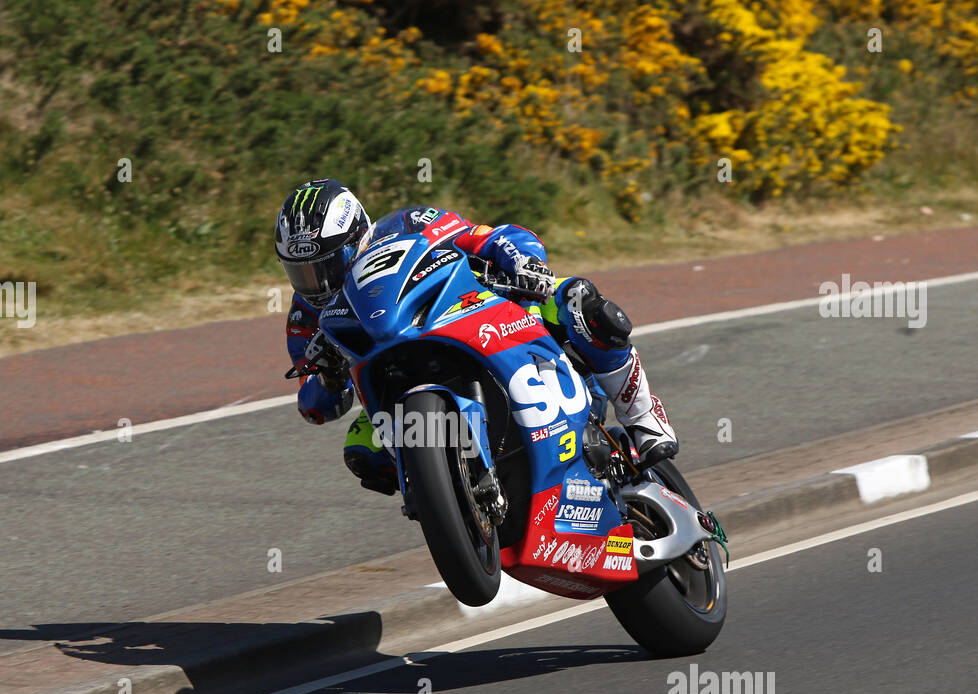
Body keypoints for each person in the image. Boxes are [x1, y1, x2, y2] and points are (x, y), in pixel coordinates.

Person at [275, 178, 677, 495]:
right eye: (302, 271)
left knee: (579, 302)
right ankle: (457, 498)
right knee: (363, 451)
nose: (317, 282)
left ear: (356, 238)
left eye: (326, 264)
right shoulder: (305, 313)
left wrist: (524, 263)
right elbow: (315, 406)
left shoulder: (409, 224)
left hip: (480, 320)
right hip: (395, 389)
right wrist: (327, 377)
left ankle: (643, 417)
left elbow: (491, 236)